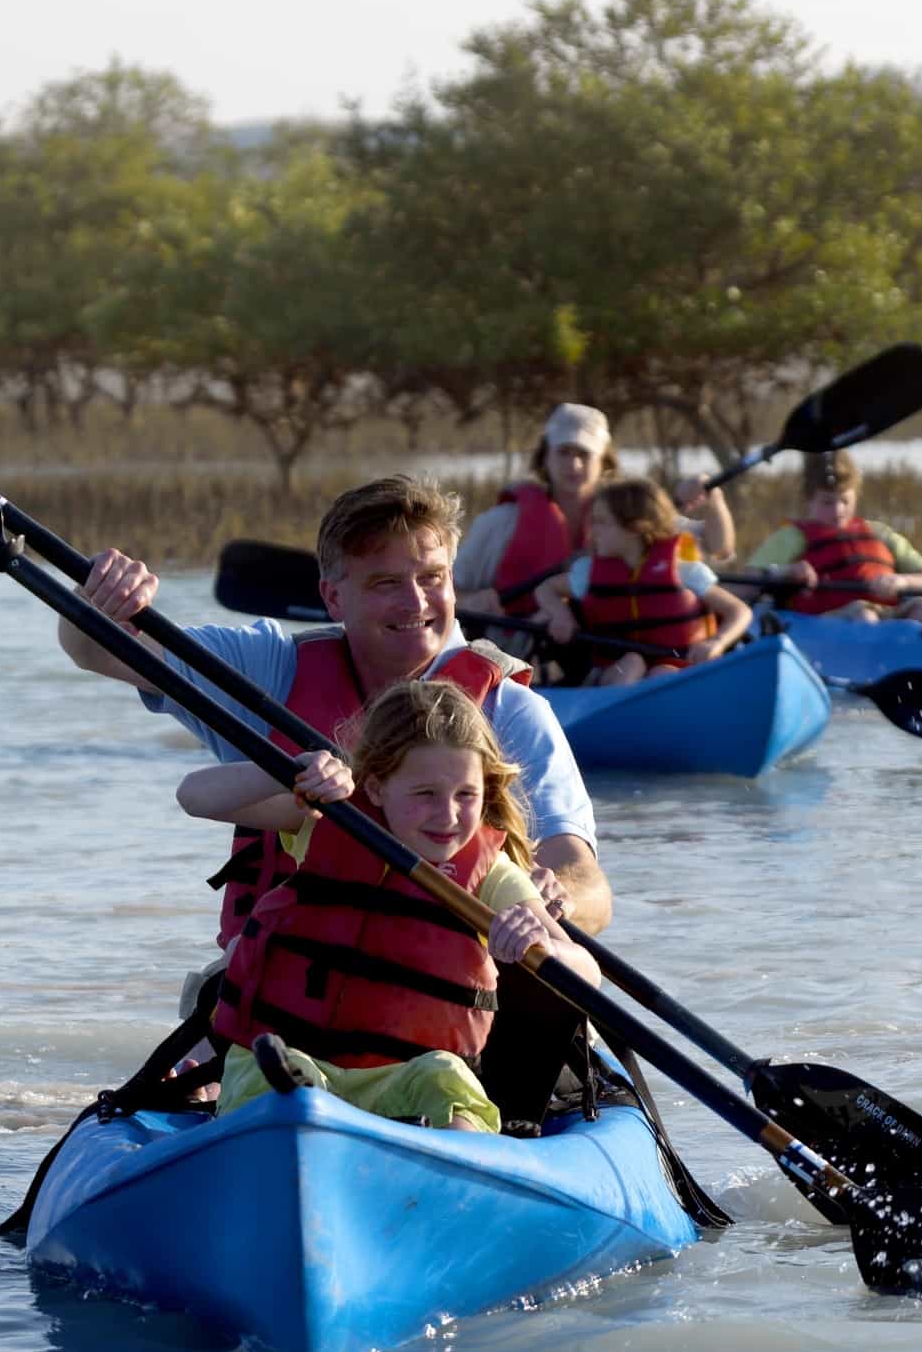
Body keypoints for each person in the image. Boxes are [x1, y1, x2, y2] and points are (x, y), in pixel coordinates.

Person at [61, 476, 614, 1122]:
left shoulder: (510, 710)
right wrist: (95, 608)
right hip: (288, 1004)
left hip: (452, 1013)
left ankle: (487, 1133)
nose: (416, 601)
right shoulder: (275, 670)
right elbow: (105, 654)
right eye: (385, 583)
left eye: (432, 577)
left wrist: (550, 905)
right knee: (229, 1001)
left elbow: (588, 882)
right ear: (333, 596)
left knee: (542, 993)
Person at [186, 681, 599, 1131]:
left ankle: (459, 1166)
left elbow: (586, 971)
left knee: (446, 1078)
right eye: (425, 794)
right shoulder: (330, 820)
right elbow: (195, 797)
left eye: (465, 795)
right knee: (274, 1070)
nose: (447, 815)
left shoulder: (493, 874)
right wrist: (289, 771)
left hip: (403, 1079)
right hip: (295, 1064)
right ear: (378, 788)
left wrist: (544, 945)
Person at [452, 403, 735, 619]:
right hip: (525, 649)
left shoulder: (632, 515)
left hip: (608, 648)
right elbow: (447, 591)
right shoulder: (499, 523)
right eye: (564, 453)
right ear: (545, 457)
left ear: (604, 462)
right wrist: (469, 601)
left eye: (584, 455)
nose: (573, 465)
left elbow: (718, 547)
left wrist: (713, 501)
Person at [524, 475, 751, 686]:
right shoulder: (588, 572)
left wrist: (717, 643)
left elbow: (740, 612)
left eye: (602, 522)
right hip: (616, 670)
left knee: (662, 672)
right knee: (633, 663)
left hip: (679, 672)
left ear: (634, 528)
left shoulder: (685, 572)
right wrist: (561, 614)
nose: (593, 533)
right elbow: (545, 589)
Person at [744, 451, 922, 625]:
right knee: (864, 614)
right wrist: (786, 573)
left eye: (845, 501)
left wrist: (903, 581)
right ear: (809, 499)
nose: (838, 510)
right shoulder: (791, 537)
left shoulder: (878, 533)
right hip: (834, 620)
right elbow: (746, 586)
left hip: (891, 611)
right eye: (827, 502)